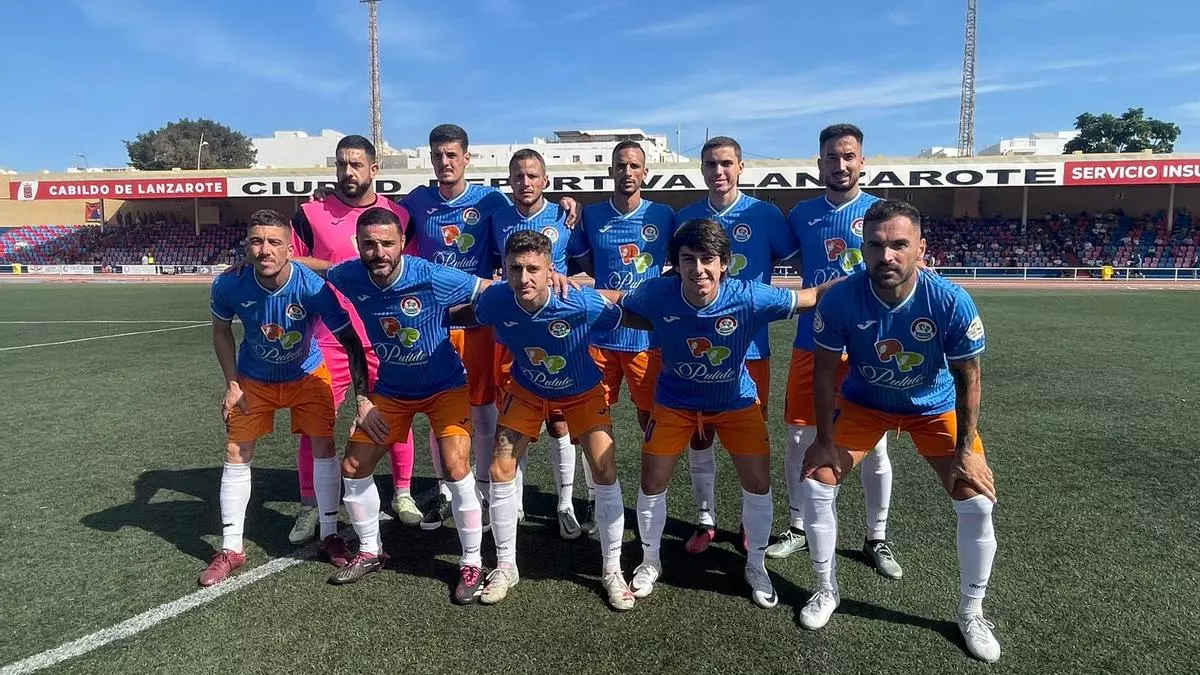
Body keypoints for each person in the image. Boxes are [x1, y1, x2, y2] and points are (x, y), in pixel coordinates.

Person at [799, 199, 1000, 663]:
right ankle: (826, 589)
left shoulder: (949, 300)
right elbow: (824, 374)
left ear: (921, 249)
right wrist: (824, 440)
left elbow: (969, 378)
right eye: (875, 245)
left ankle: (972, 612)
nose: (886, 255)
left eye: (899, 245)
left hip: (933, 408)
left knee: (976, 501)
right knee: (816, 484)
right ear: (863, 249)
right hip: (865, 404)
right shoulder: (841, 298)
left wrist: (967, 451)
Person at [617, 218, 826, 609]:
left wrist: (872, 277)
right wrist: (558, 284)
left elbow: (812, 297)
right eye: (688, 259)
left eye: (707, 259)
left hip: (736, 403)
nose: (698, 269)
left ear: (724, 262)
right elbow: (618, 303)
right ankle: (650, 561)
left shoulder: (748, 296)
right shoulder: (656, 292)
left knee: (758, 483)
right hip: (675, 402)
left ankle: (756, 566)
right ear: (676, 263)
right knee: (652, 480)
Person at [318, 207, 491, 601]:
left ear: (402, 244)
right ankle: (370, 551)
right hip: (393, 391)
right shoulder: (349, 275)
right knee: (353, 466)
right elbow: (319, 269)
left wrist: (548, 282)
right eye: (369, 244)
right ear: (358, 246)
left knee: (456, 466)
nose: (379, 252)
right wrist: (278, 260)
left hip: (445, 386)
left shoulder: (430, 275)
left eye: (387, 243)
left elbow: (487, 290)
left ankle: (472, 562)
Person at [455, 230, 634, 610]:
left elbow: (621, 313)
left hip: (582, 389)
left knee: (605, 469)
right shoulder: (497, 299)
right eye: (515, 269)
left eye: (533, 269)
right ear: (504, 269)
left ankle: (612, 569)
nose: (524, 278)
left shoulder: (579, 302)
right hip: (528, 389)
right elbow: (472, 314)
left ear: (551, 269)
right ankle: (506, 566)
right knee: (500, 468)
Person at [202, 209, 379, 587]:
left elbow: (351, 341)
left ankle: (329, 533)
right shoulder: (229, 284)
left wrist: (363, 398)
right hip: (254, 379)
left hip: (307, 375)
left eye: (274, 242)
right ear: (246, 246)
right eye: (256, 241)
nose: (264, 249)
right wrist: (232, 383)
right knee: (236, 452)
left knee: (323, 446)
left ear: (290, 249)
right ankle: (231, 547)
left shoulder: (313, 288)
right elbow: (221, 332)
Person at [770, 123, 901, 580]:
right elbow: (774, 251)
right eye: (832, 157)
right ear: (820, 163)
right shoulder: (802, 215)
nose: (841, 165)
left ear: (863, 161)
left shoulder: (882, 213)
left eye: (849, 156)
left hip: (867, 348)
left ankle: (876, 537)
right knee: (798, 438)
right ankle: (797, 525)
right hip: (812, 342)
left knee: (875, 446)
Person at [286, 135, 422, 536]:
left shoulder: (399, 214)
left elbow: (411, 267)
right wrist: (335, 268)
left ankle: (402, 492)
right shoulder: (310, 213)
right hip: (329, 334)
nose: (348, 171)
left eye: (357, 164)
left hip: (385, 332)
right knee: (315, 422)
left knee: (396, 414)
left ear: (374, 169)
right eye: (342, 164)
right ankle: (311, 504)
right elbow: (290, 261)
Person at [676, 136, 800, 554]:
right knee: (700, 435)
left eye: (726, 163)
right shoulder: (686, 217)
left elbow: (798, 258)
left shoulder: (765, 214)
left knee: (750, 440)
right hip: (696, 347)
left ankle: (750, 522)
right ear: (702, 169)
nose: (719, 171)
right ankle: (705, 519)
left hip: (751, 350)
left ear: (741, 167)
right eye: (711, 164)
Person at [567, 139, 674, 532]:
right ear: (610, 171)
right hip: (600, 336)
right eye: (620, 165)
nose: (627, 172)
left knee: (652, 418)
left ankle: (651, 502)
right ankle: (596, 499)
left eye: (634, 165)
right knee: (592, 420)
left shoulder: (663, 215)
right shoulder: (593, 215)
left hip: (647, 339)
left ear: (645, 172)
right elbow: (584, 260)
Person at [488, 148, 590, 539]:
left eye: (533, 175)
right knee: (514, 418)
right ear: (509, 180)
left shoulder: (564, 216)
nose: (525, 182)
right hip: (513, 329)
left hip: (557, 329)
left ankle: (565, 504)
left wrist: (567, 281)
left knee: (559, 420)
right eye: (518, 176)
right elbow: (490, 267)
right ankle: (514, 502)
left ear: (545, 180)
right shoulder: (498, 217)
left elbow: (587, 266)